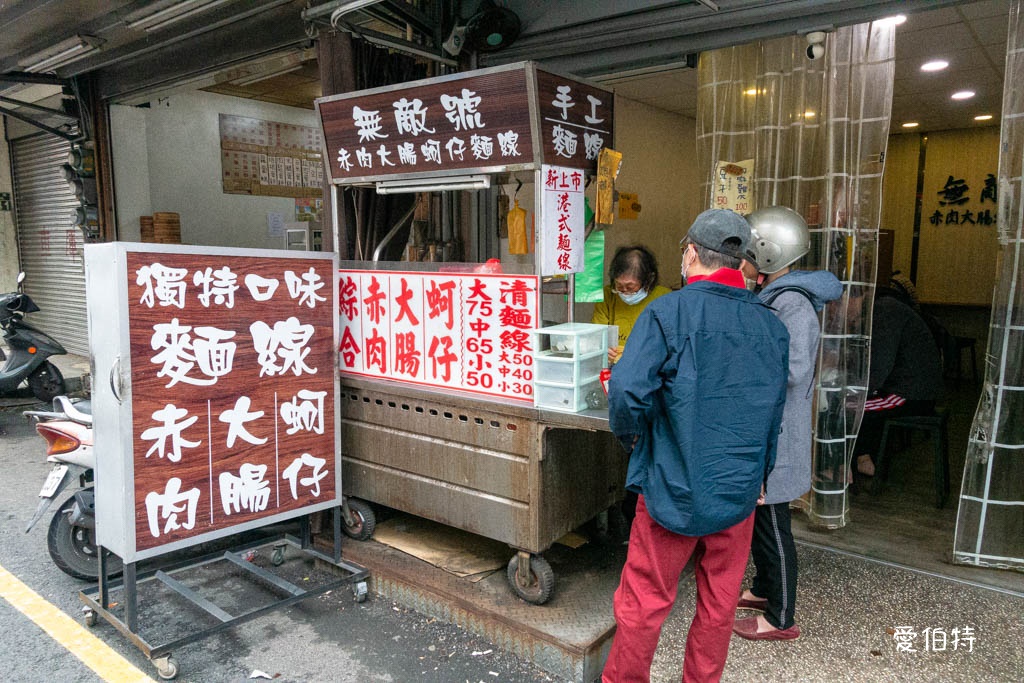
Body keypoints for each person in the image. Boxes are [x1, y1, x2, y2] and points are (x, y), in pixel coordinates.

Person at [602, 209, 789, 683]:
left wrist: (637, 441)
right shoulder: (772, 326)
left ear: (689, 253)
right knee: (718, 605)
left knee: (645, 601)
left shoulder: (668, 312)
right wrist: (762, 474)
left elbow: (626, 391)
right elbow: (773, 413)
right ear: (743, 263)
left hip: (672, 484)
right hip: (740, 491)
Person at [733, 206, 842, 642]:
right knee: (761, 518)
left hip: (778, 432)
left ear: (767, 252)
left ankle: (781, 617)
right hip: (768, 429)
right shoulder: (776, 294)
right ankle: (762, 589)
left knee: (773, 524)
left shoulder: (792, 302)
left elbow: (794, 370)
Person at [853, 288, 944, 476]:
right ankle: (863, 458)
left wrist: (852, 387)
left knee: (851, 406)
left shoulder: (884, 312)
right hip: (913, 388)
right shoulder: (886, 308)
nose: (834, 311)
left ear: (853, 297)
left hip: (912, 393)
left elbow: (878, 368)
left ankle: (860, 462)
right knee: (857, 402)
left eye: (837, 304)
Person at [591, 245, 672, 365]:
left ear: (648, 280)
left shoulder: (665, 298)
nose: (624, 291)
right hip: (612, 365)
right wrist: (602, 348)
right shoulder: (608, 295)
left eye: (630, 287)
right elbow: (596, 334)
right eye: (619, 286)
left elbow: (669, 344)